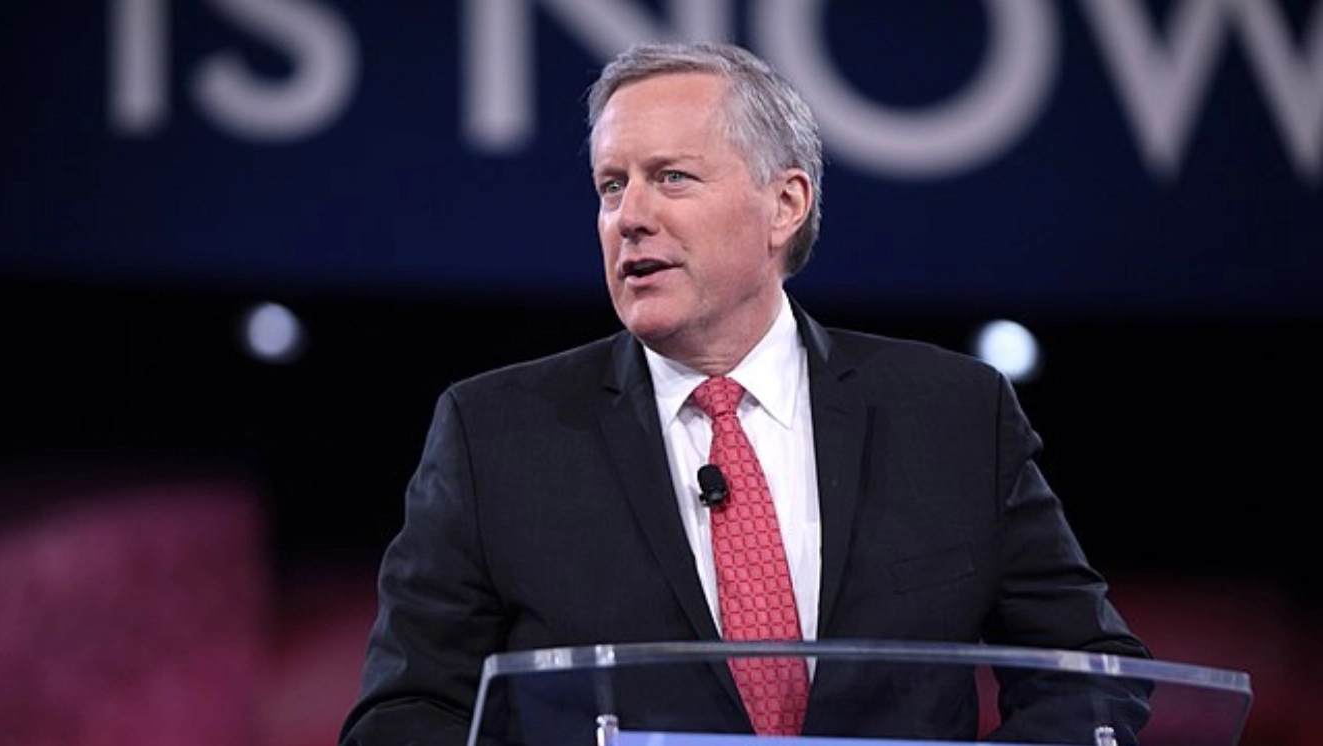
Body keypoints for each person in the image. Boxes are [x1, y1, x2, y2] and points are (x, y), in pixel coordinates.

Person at [339, 41, 1151, 745]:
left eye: (673, 178)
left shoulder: (954, 416)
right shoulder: (495, 437)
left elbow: (1091, 675)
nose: (630, 217)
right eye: (612, 185)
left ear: (785, 205)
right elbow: (406, 713)